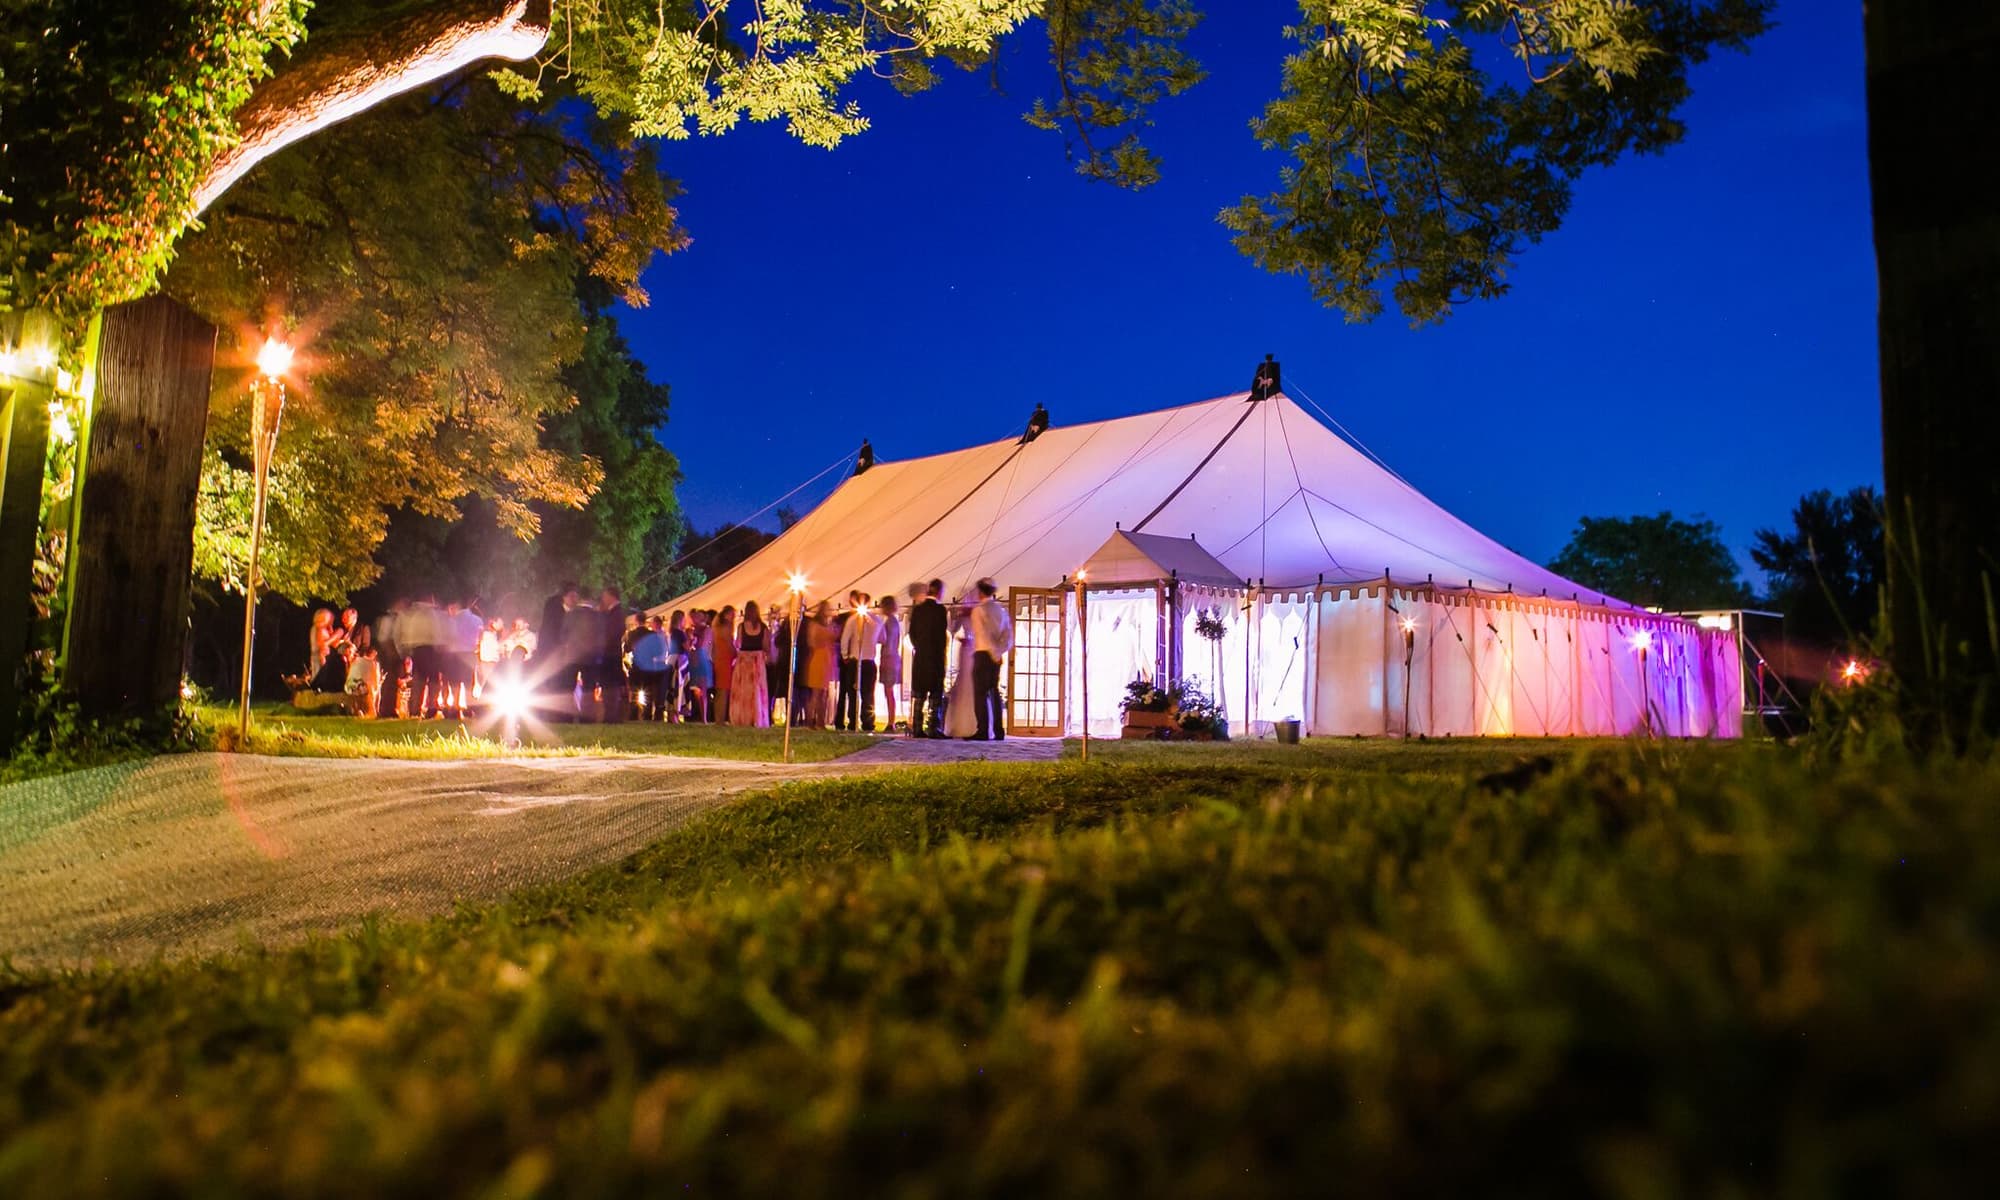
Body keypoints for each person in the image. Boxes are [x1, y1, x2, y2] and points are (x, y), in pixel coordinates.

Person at [968, 578, 1013, 740]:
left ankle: (983, 730)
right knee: (994, 692)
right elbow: (1008, 636)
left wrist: (991, 652)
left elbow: (982, 634)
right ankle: (998, 730)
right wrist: (999, 652)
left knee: (980, 694)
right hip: (996, 657)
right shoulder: (1001, 611)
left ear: (980, 592)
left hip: (983, 653)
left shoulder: (979, 611)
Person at [907, 579, 949, 738]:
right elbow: (941, 635)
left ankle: (917, 727)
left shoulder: (918, 610)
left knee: (919, 693)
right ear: (939, 592)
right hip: (935, 656)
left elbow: (912, 634)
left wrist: (919, 647)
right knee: (935, 693)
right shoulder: (940, 610)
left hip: (921, 657)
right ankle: (933, 727)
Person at [557, 591, 601, 721]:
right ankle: (587, 717)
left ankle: (567, 716)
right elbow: (601, 636)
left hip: (572, 655)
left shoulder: (570, 615)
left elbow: (563, 635)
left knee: (568, 686)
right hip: (590, 656)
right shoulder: (597, 616)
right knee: (588, 687)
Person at [942, 589, 978, 738]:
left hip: (970, 651)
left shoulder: (975, 615)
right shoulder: (972, 615)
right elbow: (952, 630)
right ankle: (961, 724)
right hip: (966, 651)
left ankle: (966, 724)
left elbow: (953, 630)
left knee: (969, 683)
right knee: (964, 682)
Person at [730, 601, 771, 727]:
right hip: (757, 660)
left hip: (744, 660)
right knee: (757, 691)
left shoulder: (741, 627)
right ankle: (756, 717)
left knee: (743, 691)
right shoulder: (763, 627)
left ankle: (743, 717)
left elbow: (738, 644)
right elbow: (766, 646)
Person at [596, 587, 628, 722]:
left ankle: (612, 716)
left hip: (611, 653)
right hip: (611, 653)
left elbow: (613, 632)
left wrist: (602, 643)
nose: (603, 599)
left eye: (604, 596)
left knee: (611, 684)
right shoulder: (614, 612)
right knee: (609, 684)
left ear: (611, 596)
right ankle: (610, 714)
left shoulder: (617, 613)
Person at [630, 615, 670, 721]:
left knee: (634, 691)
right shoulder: (652, 634)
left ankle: (634, 715)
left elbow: (627, 649)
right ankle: (647, 715)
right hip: (648, 666)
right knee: (648, 692)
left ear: (636, 621)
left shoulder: (632, 634)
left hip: (636, 666)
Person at [802, 601, 835, 728]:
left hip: (825, 659)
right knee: (816, 693)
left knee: (823, 694)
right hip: (818, 658)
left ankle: (821, 721)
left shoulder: (826, 625)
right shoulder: (815, 625)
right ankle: (810, 721)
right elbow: (812, 642)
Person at [876, 595, 902, 731]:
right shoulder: (894, 622)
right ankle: (890, 720)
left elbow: (884, 639)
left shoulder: (889, 622)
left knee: (889, 690)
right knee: (889, 691)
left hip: (889, 657)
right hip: (892, 657)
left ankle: (891, 721)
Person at [684, 610, 714, 723]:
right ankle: (701, 716)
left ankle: (705, 717)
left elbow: (703, 644)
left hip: (702, 659)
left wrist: (693, 639)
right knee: (697, 690)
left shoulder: (707, 630)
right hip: (695, 658)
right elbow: (689, 645)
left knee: (703, 689)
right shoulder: (692, 630)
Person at [712, 605, 738, 725]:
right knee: (723, 690)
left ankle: (719, 717)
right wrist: (736, 653)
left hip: (719, 659)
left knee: (720, 690)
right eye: (733, 614)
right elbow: (729, 643)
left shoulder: (717, 626)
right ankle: (720, 719)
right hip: (725, 659)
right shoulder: (726, 626)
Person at [344, 645, 381, 717]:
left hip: (350, 688)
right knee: (371, 712)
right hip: (363, 690)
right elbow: (374, 681)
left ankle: (358, 711)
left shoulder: (355, 661)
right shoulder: (373, 664)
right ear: (374, 654)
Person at [308, 609, 339, 677]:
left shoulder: (316, 628)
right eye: (329, 619)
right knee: (320, 677)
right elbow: (323, 645)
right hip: (320, 657)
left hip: (317, 656)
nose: (331, 621)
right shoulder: (320, 629)